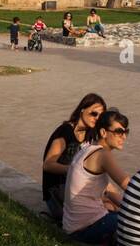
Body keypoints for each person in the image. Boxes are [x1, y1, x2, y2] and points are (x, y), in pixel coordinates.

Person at [62, 109, 132, 244]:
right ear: (104, 132)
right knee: (134, 224)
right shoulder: (103, 155)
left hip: (73, 226)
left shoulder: (88, 147)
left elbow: (110, 191)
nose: (124, 137)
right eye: (119, 132)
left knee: (120, 209)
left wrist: (127, 208)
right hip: (85, 229)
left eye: (125, 132)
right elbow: (130, 186)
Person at [41, 93, 106, 221]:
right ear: (82, 109)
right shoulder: (65, 132)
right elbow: (48, 164)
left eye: (100, 116)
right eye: (94, 114)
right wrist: (74, 169)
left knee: (109, 203)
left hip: (75, 190)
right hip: (57, 193)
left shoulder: (91, 134)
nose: (97, 118)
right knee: (102, 210)